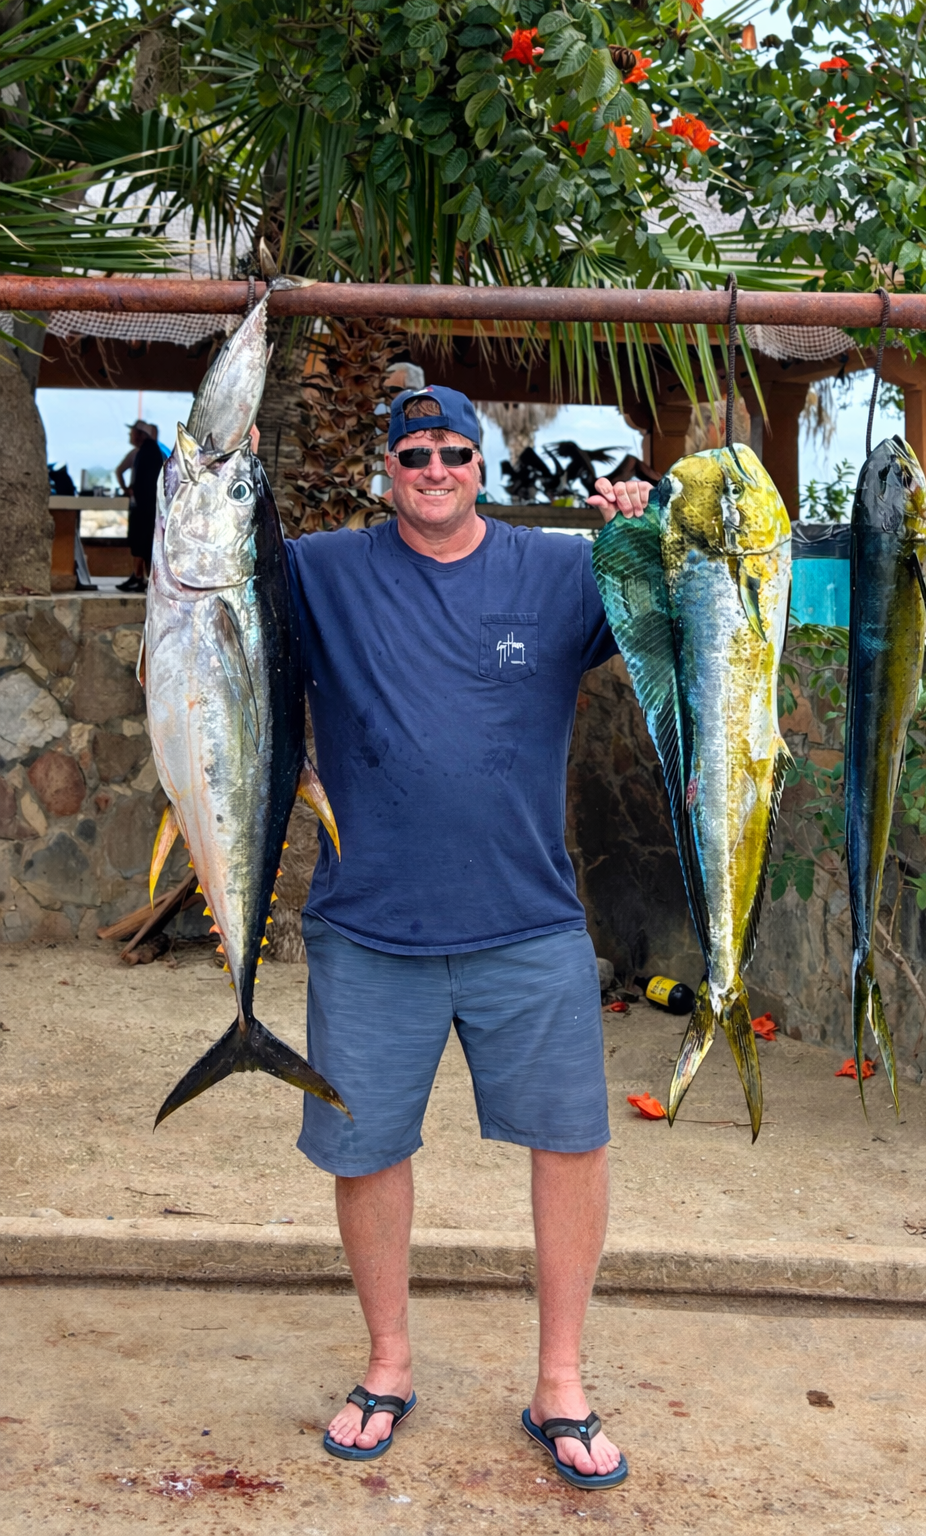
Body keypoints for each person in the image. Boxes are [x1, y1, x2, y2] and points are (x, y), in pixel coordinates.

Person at [282, 386, 651, 1491]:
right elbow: (201, 583)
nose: (432, 467)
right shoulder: (319, 570)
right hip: (366, 927)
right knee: (366, 1148)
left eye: (451, 451)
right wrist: (222, 463)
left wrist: (642, 512)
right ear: (385, 469)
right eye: (411, 452)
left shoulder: (559, 570)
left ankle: (561, 1384)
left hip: (526, 924)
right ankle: (388, 1365)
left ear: (480, 465)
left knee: (571, 1144)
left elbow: (670, 600)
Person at [118, 419, 165, 593]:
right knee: (143, 543)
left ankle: (140, 577)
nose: (130, 436)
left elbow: (147, 482)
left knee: (142, 542)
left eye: (132, 433)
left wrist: (132, 491)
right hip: (147, 507)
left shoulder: (148, 452)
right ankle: (140, 577)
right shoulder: (149, 451)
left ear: (140, 435)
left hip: (146, 509)